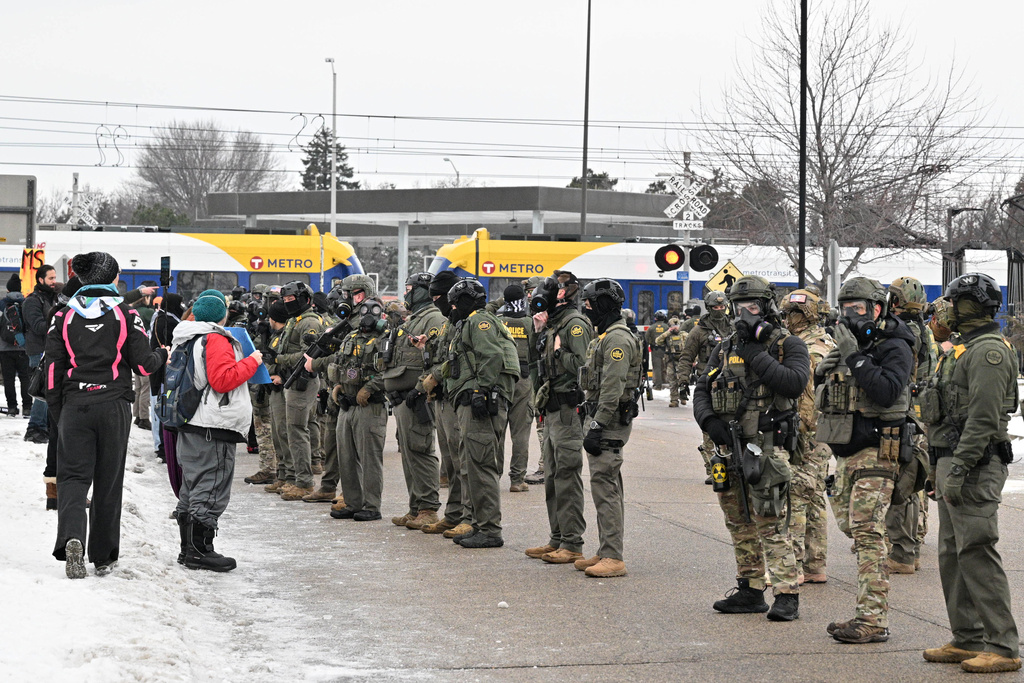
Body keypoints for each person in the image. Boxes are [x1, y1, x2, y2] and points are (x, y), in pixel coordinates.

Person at [919, 273, 1021, 673]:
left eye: (953, 301)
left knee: (977, 552)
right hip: (952, 463)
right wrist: (936, 469)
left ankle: (1003, 645)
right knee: (952, 554)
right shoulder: (961, 349)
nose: (944, 308)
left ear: (971, 306)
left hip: (975, 466)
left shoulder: (988, 352)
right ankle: (967, 638)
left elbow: (982, 418)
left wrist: (958, 469)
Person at [693, 275, 809, 622]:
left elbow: (793, 383)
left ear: (768, 307)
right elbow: (703, 385)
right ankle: (750, 588)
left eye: (753, 307)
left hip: (767, 447)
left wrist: (756, 353)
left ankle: (787, 593)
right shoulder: (724, 345)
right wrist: (709, 421)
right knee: (738, 520)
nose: (746, 314)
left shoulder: (786, 344)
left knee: (770, 520)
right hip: (729, 447)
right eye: (740, 307)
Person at [46, 252, 168, 579]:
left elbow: (51, 372)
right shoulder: (126, 314)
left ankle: (73, 537)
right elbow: (143, 365)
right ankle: (103, 556)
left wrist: (61, 413)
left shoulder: (62, 315)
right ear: (111, 278)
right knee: (108, 481)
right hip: (113, 404)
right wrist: (162, 353)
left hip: (74, 404)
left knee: (72, 478)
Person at [815, 276, 915, 643]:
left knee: (869, 534)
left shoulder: (896, 345)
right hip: (846, 453)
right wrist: (830, 363)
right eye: (845, 309)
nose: (851, 315)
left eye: (858, 309)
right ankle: (869, 609)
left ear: (877, 309)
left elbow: (887, 391)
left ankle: (872, 619)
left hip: (878, 451)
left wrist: (854, 356)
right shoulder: (850, 346)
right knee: (855, 529)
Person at [172, 290, 261, 572]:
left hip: (191, 422)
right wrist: (252, 361)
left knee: (192, 486)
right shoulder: (216, 338)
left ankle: (188, 549)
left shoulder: (186, 337)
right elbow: (222, 380)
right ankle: (200, 550)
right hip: (213, 424)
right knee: (210, 487)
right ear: (223, 315)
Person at [443, 278, 520, 548]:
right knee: (472, 464)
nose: (451, 308)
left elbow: (492, 355)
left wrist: (481, 391)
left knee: (481, 464)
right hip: (472, 400)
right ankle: (479, 525)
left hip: (482, 403)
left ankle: (490, 529)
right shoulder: (471, 321)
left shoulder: (479, 321)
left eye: (455, 302)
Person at [574, 278, 642, 578]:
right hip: (600, 418)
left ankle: (613, 556)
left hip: (610, 422)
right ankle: (605, 550)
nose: (587, 310)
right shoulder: (604, 337)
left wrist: (598, 425)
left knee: (606, 486)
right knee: (605, 485)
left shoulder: (617, 340)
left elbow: (612, 388)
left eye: (590, 304)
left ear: (603, 304)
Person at [525, 271, 594, 564]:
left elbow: (583, 367)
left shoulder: (574, 325)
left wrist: (560, 353)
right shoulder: (555, 324)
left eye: (556, 288)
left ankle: (572, 542)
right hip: (552, 408)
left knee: (566, 475)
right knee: (552, 477)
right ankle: (557, 538)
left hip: (568, 409)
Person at [318, 276, 389, 521]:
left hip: (370, 405)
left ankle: (371, 505)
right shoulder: (349, 336)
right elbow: (339, 364)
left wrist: (369, 387)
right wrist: (337, 386)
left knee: (369, 459)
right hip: (347, 404)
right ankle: (352, 501)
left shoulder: (386, 337)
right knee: (345, 457)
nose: (366, 314)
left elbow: (389, 369)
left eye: (373, 309)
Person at [779, 289, 835, 583]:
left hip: (808, 432)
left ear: (806, 315)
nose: (786, 319)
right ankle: (816, 565)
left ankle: (795, 566)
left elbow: (808, 398)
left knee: (797, 494)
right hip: (824, 432)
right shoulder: (825, 342)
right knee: (814, 496)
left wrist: (797, 432)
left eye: (791, 314)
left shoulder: (809, 348)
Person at [384, 272, 446, 528]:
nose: (406, 292)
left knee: (421, 451)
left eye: (410, 287)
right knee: (409, 454)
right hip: (402, 399)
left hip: (418, 398)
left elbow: (437, 357)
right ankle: (416, 507)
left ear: (422, 290)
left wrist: (420, 389)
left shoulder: (433, 318)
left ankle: (429, 508)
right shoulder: (415, 318)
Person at [884, 276, 935, 575]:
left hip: (907, 413)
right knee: (911, 482)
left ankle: (903, 551)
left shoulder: (904, 332)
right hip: (919, 413)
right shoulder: (922, 330)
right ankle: (909, 546)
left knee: (900, 483)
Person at [417, 271, 471, 537]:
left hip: (454, 398)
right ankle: (453, 514)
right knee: (449, 464)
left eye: (439, 297)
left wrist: (436, 376)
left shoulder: (465, 322)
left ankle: (466, 516)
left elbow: (459, 359)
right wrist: (426, 347)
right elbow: (443, 353)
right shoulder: (451, 322)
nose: (436, 302)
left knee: (461, 462)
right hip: (441, 398)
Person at [264, 281, 326, 500]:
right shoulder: (295, 320)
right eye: (286, 300)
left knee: (297, 430)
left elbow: (307, 355)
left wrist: (278, 359)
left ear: (306, 300)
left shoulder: (309, 322)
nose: (289, 304)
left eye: (292, 300)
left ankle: (304, 482)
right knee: (288, 430)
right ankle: (290, 476)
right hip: (291, 379)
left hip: (302, 380)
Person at [678, 290, 733, 478]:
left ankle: (733, 462)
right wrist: (683, 381)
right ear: (709, 308)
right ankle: (713, 469)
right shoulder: (698, 331)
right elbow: (686, 357)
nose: (719, 310)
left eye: (722, 307)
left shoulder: (734, 327)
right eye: (715, 307)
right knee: (710, 425)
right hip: (709, 384)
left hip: (733, 382)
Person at [497, 283, 537, 492]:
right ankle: (517, 479)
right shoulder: (530, 323)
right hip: (523, 379)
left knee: (497, 431)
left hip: (500, 378)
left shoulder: (497, 322)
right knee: (520, 433)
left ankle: (493, 476)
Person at [23, 264, 58, 444]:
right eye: (51, 278)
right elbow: (38, 326)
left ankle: (45, 426)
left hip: (50, 349)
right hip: (38, 350)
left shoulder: (52, 298)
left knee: (49, 389)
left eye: (55, 278)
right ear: (41, 279)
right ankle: (35, 427)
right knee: (41, 389)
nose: (54, 281)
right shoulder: (32, 301)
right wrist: (57, 320)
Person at [522, 275, 548, 486]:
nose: (529, 296)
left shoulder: (543, 316)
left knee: (543, 423)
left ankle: (545, 467)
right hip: (535, 374)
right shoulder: (535, 314)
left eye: (531, 291)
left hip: (543, 376)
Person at [0, 273, 31, 418]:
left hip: (5, 348)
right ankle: (27, 407)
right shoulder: (27, 303)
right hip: (23, 347)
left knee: (9, 379)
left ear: (8, 290)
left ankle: (12, 407)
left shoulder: (2, 304)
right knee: (25, 378)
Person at [131, 282, 158, 431]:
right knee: (146, 386)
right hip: (145, 351)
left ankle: (136, 415)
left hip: (135, 352)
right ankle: (144, 418)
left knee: (139, 387)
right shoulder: (148, 313)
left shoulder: (132, 311)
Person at [655, 317, 688, 407]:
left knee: (682, 379)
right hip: (671, 360)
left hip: (683, 360)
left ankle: (683, 397)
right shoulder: (667, 336)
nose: (675, 327)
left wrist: (694, 360)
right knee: (672, 380)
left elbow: (691, 347)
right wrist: (668, 332)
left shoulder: (684, 335)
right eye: (673, 326)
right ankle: (674, 400)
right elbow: (658, 341)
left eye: (676, 325)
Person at [645, 309, 669, 390]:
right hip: (665, 350)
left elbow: (646, 339)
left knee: (657, 367)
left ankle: (658, 385)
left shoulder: (651, 328)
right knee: (665, 367)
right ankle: (665, 383)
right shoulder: (667, 327)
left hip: (655, 349)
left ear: (656, 318)